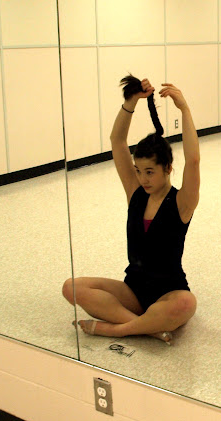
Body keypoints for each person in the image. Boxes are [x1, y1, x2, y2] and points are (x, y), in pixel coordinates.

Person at [62, 76, 200, 344]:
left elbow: (193, 160)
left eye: (150, 172)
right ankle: (148, 328)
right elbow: (117, 140)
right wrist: (131, 102)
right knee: (72, 288)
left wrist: (184, 109)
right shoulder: (136, 194)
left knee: (187, 303)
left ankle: (115, 329)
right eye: (138, 171)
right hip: (133, 290)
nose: (143, 178)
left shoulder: (182, 203)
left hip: (168, 293)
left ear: (168, 169)